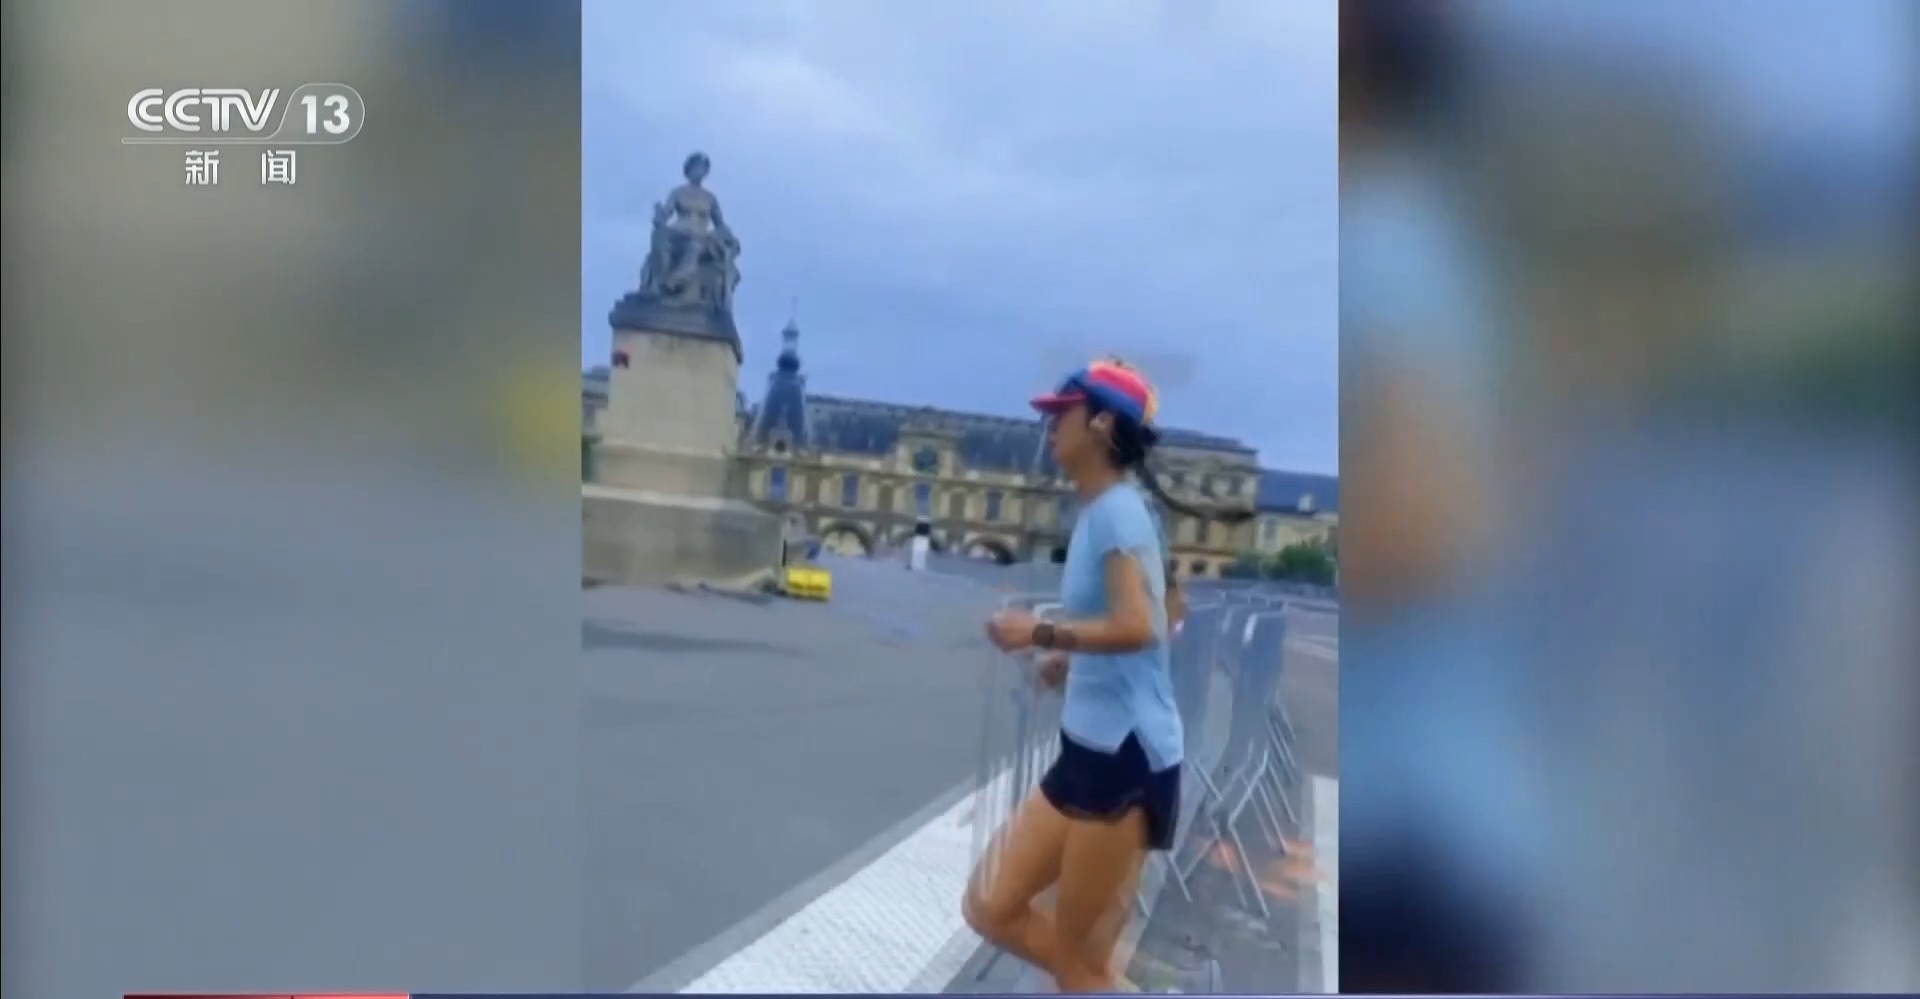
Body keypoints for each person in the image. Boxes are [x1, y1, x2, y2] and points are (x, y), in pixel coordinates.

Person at [967, 358, 1249, 992]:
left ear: (1099, 424)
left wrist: (1041, 633)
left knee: (1079, 964)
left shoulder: (1120, 514)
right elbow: (1171, 609)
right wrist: (1074, 659)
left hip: (1127, 762)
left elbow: (1141, 624)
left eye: (1059, 414)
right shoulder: (1110, 512)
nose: (1048, 427)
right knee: (990, 906)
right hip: (1086, 752)